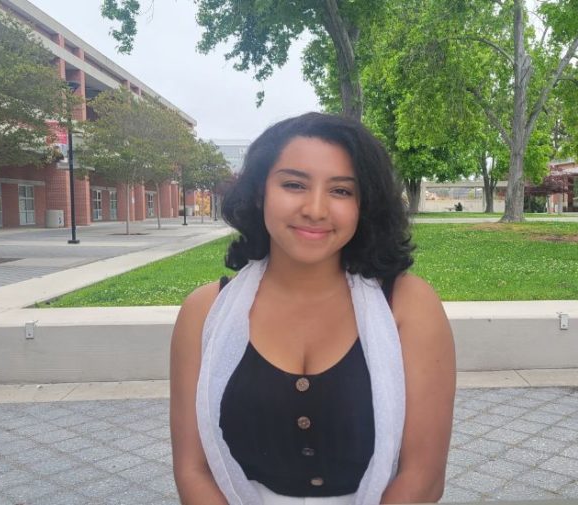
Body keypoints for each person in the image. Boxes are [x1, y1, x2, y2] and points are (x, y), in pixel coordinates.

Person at [170, 112, 456, 505]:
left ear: (363, 204)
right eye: (293, 184)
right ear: (259, 193)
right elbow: (192, 470)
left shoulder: (408, 306)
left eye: (341, 191)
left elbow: (422, 477)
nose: (316, 209)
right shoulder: (204, 313)